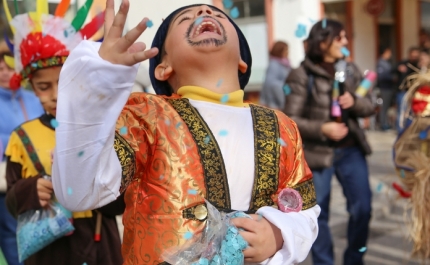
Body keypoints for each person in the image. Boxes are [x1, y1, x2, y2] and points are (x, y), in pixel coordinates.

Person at [52, 1, 320, 264]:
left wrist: (279, 233)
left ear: (242, 60)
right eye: (184, 19)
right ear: (163, 66)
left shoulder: (281, 126)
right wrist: (101, 80)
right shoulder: (146, 114)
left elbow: (305, 211)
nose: (204, 11)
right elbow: (80, 191)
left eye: (217, 13)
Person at [3, 2, 123, 264]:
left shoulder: (103, 129)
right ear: (31, 88)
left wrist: (91, 185)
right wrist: (31, 190)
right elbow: (11, 202)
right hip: (50, 250)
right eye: (44, 87)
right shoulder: (22, 137)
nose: (56, 96)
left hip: (100, 244)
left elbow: (122, 200)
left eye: (65, 83)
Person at [285, 19, 374, 265]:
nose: (346, 42)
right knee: (318, 215)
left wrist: (354, 102)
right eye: (340, 37)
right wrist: (323, 128)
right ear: (323, 42)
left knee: (362, 210)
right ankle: (324, 262)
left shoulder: (350, 69)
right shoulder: (301, 74)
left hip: (351, 150)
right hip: (318, 154)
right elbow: (289, 119)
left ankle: (354, 259)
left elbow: (370, 105)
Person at [0, 41, 44, 265]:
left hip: (37, 180)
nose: (6, 73)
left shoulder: (34, 97)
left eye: (10, 67)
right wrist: (19, 140)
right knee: (10, 232)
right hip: (6, 181)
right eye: (0, 69)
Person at [259, 41, 291, 110]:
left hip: (283, 100)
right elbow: (272, 84)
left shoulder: (285, 63)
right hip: (275, 104)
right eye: (286, 50)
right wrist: (283, 101)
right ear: (279, 51)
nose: (288, 52)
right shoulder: (274, 65)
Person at [396, 47, 420, 132]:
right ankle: (400, 131)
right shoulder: (403, 64)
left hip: (414, 92)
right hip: (403, 92)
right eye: (412, 56)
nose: (414, 57)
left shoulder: (418, 66)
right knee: (402, 112)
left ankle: (409, 131)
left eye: (415, 56)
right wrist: (398, 68)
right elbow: (393, 71)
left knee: (412, 113)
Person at [376, 47, 395, 131]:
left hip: (389, 88)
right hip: (385, 88)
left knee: (387, 107)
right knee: (384, 107)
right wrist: (392, 78)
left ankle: (385, 123)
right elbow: (381, 76)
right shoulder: (381, 63)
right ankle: (383, 124)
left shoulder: (387, 63)